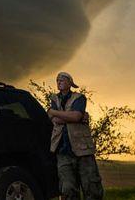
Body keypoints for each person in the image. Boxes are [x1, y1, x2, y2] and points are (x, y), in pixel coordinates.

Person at [47, 72, 104, 200]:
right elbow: (57, 120)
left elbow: (76, 116)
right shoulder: (54, 98)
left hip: (82, 149)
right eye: (57, 80)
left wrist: (54, 112)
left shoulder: (79, 98)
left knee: (91, 187)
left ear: (70, 83)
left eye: (62, 80)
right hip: (62, 150)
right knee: (67, 189)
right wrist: (73, 117)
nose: (59, 82)